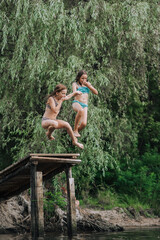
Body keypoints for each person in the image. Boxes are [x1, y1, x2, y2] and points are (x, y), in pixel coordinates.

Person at [41, 84, 84, 149]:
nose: (64, 95)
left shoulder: (62, 98)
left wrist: (75, 93)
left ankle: (74, 141)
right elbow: (55, 110)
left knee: (67, 124)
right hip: (45, 121)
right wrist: (61, 101)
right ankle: (49, 134)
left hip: (53, 120)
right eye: (63, 93)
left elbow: (68, 96)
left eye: (65, 93)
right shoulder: (51, 99)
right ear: (57, 93)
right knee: (54, 124)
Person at [72, 70, 98, 137]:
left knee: (84, 124)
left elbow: (96, 92)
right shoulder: (75, 84)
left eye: (85, 78)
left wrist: (89, 86)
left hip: (85, 105)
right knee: (80, 110)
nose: (84, 80)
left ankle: (75, 132)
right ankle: (75, 130)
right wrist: (77, 92)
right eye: (82, 78)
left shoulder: (88, 84)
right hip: (77, 103)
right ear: (78, 78)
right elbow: (74, 93)